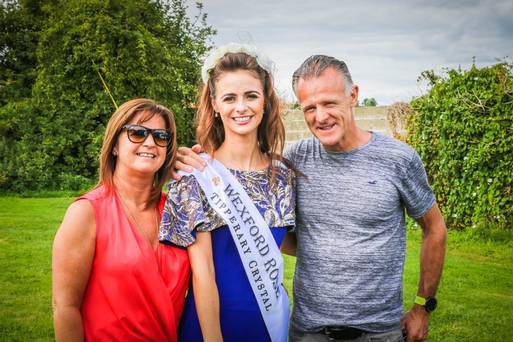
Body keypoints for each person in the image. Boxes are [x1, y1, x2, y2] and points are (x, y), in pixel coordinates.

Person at [176, 55, 447, 342]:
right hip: (308, 331)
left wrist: (423, 305)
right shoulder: (293, 162)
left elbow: (435, 228)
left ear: (353, 95)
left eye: (329, 103)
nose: (321, 116)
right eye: (310, 108)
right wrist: (181, 160)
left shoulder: (399, 159)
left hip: (380, 331)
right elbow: (277, 233)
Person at [159, 44, 295, 342]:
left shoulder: (284, 176)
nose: (241, 107)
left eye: (251, 96)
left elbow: (294, 245)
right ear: (215, 104)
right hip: (211, 327)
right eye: (229, 98)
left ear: (265, 101)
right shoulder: (196, 176)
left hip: (270, 325)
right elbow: (203, 275)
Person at [52, 99, 190, 341]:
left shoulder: (178, 210)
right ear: (115, 145)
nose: (150, 142)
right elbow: (65, 308)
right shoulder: (86, 213)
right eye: (137, 133)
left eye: (160, 136)